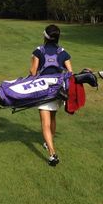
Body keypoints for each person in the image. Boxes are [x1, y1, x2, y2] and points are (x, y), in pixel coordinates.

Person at [29, 24, 72, 166]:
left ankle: (52, 154)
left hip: (43, 89)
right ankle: (49, 143)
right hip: (58, 90)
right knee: (52, 117)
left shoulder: (38, 51)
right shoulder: (63, 52)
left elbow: (33, 72)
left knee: (45, 123)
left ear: (45, 36)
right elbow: (70, 73)